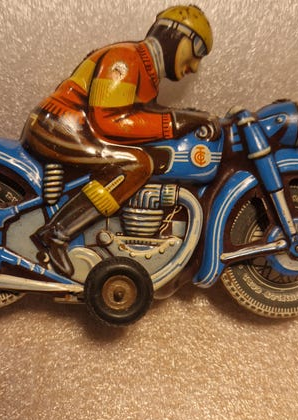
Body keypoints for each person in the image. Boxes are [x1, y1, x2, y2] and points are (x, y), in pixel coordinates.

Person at [21, 5, 220, 277]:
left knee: (153, 157)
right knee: (136, 164)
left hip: (73, 126)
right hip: (61, 126)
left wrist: (185, 118)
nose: (194, 67)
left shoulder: (146, 69)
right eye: (197, 50)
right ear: (176, 35)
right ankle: (55, 234)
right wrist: (175, 122)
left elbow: (140, 114)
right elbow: (108, 120)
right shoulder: (125, 59)